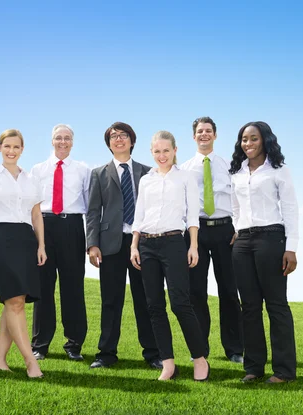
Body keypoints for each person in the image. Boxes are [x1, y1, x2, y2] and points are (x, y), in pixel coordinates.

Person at [130, 130, 210, 381]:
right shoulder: (146, 180)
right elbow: (139, 216)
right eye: (157, 151)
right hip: (147, 245)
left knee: (180, 303)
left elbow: (193, 216)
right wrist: (134, 245)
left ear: (175, 151)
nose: (161, 155)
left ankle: (199, 358)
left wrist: (193, 245)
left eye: (166, 150)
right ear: (151, 153)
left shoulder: (186, 177)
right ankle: (168, 363)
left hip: (175, 242)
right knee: (154, 306)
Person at [86, 122, 162, 369]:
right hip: (111, 245)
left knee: (146, 299)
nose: (119, 139)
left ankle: (153, 354)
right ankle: (106, 353)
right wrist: (92, 245)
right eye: (113, 136)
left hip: (142, 243)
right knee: (110, 300)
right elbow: (93, 211)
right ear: (109, 143)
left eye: (123, 136)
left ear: (132, 141)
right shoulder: (99, 173)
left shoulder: (149, 172)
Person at [229, 121, 298, 384]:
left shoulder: (279, 171)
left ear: (265, 140)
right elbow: (235, 208)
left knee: (276, 305)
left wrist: (291, 248)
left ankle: (284, 371)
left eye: (253, 138)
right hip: (243, 242)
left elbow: (291, 209)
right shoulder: (236, 172)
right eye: (244, 139)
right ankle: (254, 368)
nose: (248, 144)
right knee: (249, 307)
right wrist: (237, 230)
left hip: (271, 238)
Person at [0, 129, 45, 378]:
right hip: (1, 238)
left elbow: (36, 215)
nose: (11, 151)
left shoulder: (31, 179)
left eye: (16, 147)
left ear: (22, 149)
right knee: (14, 300)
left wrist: (41, 245)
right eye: (7, 146)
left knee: (15, 302)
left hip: (26, 240)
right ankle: (30, 362)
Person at [180, 117, 244, 363]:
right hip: (195, 233)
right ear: (193, 137)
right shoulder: (184, 169)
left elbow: (239, 198)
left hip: (225, 231)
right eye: (199, 131)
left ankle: (235, 349)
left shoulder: (230, 166)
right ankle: (201, 350)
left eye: (208, 131)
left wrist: (238, 228)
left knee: (229, 290)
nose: (204, 135)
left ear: (215, 135)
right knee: (196, 292)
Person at [30, 124, 89, 361]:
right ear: (51, 141)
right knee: (43, 287)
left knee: (73, 287)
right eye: (58, 138)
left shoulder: (83, 170)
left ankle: (74, 344)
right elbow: (31, 206)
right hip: (44, 227)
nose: (62, 142)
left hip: (72, 226)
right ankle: (40, 344)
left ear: (72, 142)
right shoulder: (37, 170)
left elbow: (90, 205)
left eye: (67, 138)